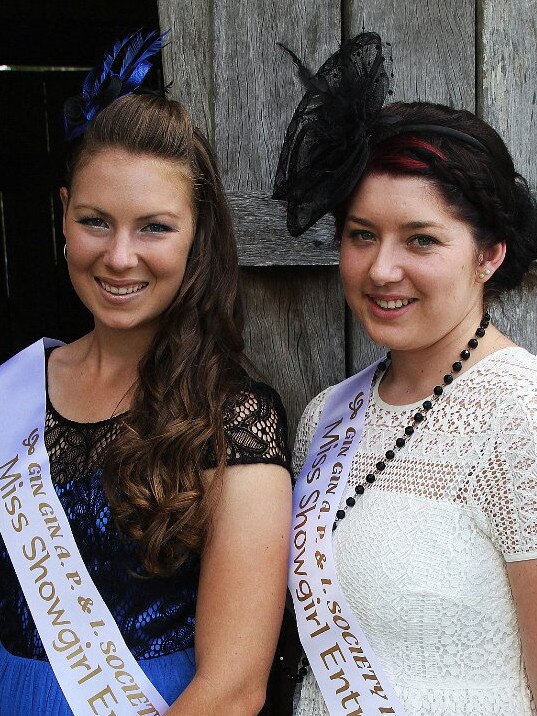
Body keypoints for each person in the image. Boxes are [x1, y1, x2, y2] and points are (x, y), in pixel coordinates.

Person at [0, 32, 291, 715]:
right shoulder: (12, 391)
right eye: (95, 221)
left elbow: (233, 689)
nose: (119, 257)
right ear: (63, 217)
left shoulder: (234, 418)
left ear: (197, 236)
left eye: (154, 227)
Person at [273, 32, 537, 716]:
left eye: (420, 239)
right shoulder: (325, 417)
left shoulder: (521, 414)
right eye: (361, 235)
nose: (381, 269)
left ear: (488, 254)